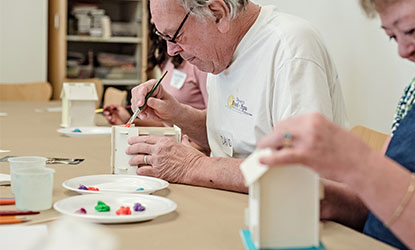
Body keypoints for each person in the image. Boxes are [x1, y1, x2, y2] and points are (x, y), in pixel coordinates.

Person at [257, 0, 415, 249]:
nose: (403, 51)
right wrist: (315, 197)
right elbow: (376, 205)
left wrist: (357, 161)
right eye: (393, 38)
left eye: (410, 30)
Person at [127, 0, 348, 192]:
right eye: (162, 35)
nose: (171, 51)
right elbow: (231, 136)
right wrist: (178, 114)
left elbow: (299, 170)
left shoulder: (291, 47)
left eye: (174, 36)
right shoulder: (221, 50)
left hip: (287, 217)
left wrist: (192, 166)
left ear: (217, 13)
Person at [103, 19, 207, 126]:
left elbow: (213, 127)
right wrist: (129, 120)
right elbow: (166, 124)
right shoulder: (169, 61)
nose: (153, 21)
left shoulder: (201, 64)